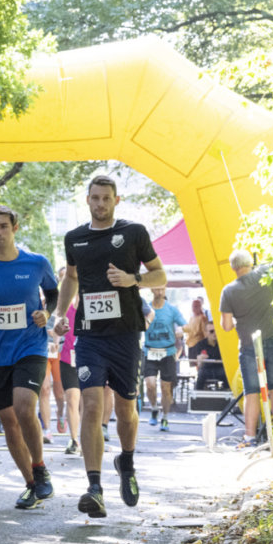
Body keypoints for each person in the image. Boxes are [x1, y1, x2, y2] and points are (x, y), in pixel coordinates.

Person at [55, 175, 166, 519]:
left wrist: (134, 280)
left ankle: (126, 462)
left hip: (126, 336)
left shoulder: (134, 233)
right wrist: (60, 313)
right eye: (95, 198)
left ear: (116, 201)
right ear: (87, 200)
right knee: (91, 404)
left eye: (106, 198)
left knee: (126, 409)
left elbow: (160, 275)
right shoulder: (75, 238)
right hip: (88, 336)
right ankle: (94, 487)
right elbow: (71, 277)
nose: (100, 204)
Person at [0, 205, 59, 511]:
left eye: (3, 226)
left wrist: (47, 312)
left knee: (25, 405)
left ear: (14, 228)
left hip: (30, 346)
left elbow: (52, 293)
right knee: (9, 420)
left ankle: (39, 468)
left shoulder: (36, 262)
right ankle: (31, 484)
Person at [219, 250, 273, 445]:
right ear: (250, 263)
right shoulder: (266, 272)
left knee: (251, 391)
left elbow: (227, 326)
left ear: (233, 268)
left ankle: (249, 436)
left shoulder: (228, 291)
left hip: (248, 345)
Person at [141, 287, 186, 431]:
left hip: (168, 352)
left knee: (166, 388)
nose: (160, 290)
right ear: (152, 289)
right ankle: (154, 408)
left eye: (162, 287)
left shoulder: (172, 310)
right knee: (150, 384)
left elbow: (185, 325)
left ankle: (165, 417)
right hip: (150, 351)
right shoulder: (146, 307)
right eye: (157, 287)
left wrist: (181, 330)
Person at [55, 298, 82, 455]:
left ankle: (88, 438)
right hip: (67, 359)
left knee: (87, 402)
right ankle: (74, 440)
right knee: (72, 399)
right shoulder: (65, 308)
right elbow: (56, 327)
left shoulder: (91, 305)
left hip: (89, 358)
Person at [193, 322, 229, 390]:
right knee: (200, 374)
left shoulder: (223, 344)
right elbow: (199, 364)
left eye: (216, 331)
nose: (215, 333)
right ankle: (197, 396)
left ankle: (228, 395)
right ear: (206, 333)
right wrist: (200, 359)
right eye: (211, 331)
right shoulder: (200, 344)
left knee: (227, 374)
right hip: (206, 369)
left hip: (220, 369)